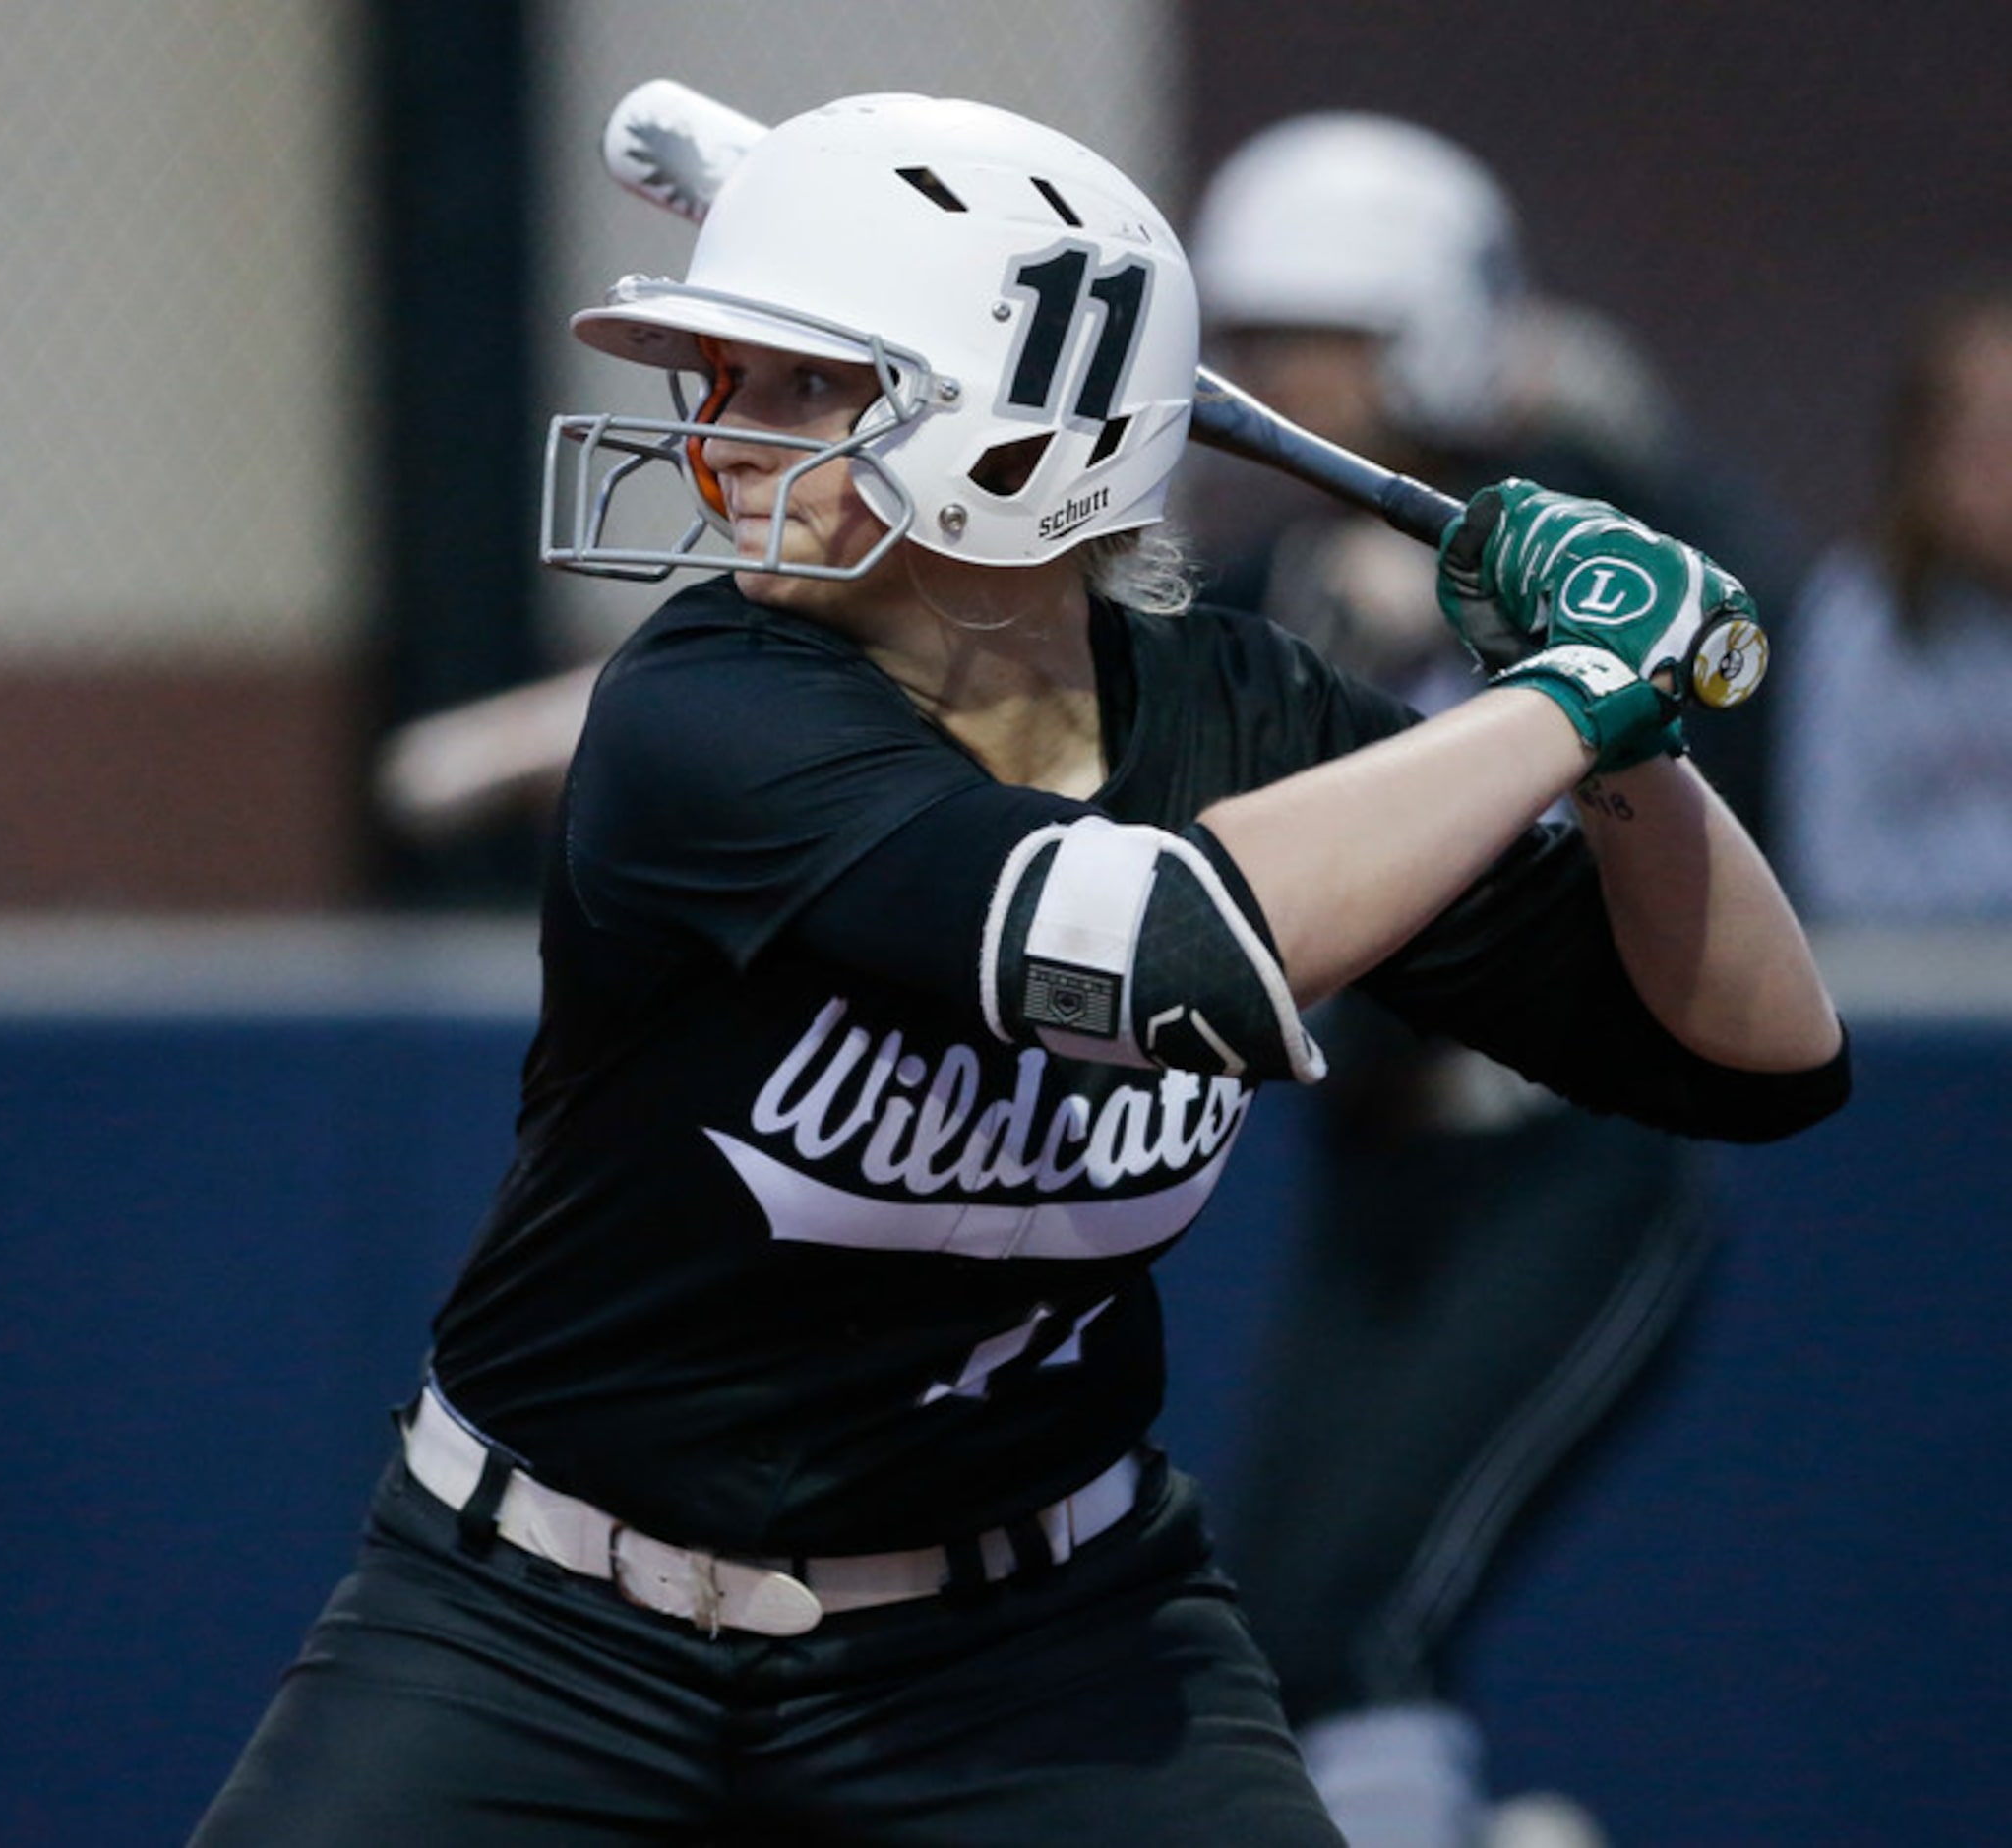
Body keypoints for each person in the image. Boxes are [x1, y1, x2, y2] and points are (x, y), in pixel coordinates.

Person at [193, 93, 1846, 1846]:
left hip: (1038, 1650)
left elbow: (1753, 1054)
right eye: (725, 384)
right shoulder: (706, 708)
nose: (717, 447)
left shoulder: (1244, 712)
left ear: (1017, 445)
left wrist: (1634, 743)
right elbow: (1158, 953)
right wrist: (1565, 695)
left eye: (802, 388)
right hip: (544, 1621)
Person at [1175, 113, 1805, 1848]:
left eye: (1325, 340)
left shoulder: (1633, 530)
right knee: (1251, 1618)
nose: (1278, 382)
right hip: (1382, 1162)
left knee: (1358, 1608)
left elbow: (1717, 809)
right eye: (1263, 339)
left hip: (1565, 1156)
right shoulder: (1277, 580)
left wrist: (1490, 640)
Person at [1777, 281, 2012, 923]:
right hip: (1909, 1009)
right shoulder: (1857, 617)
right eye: (1985, 441)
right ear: (1924, 453)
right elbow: (1833, 868)